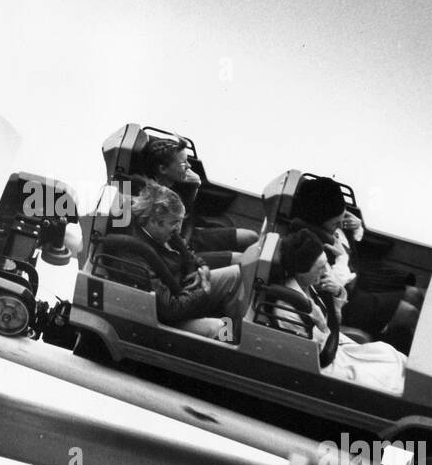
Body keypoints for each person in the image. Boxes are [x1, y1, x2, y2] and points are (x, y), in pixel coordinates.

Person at [289, 176, 424, 354]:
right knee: (409, 313)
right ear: (320, 223)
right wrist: (342, 260)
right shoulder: (313, 245)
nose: (340, 224)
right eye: (336, 223)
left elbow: (349, 242)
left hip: (355, 279)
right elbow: (329, 286)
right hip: (345, 300)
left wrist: (356, 227)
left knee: (414, 294)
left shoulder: (330, 223)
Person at [104, 182, 246, 340]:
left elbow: (191, 256)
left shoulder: (164, 233)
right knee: (221, 329)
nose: (178, 230)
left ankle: (239, 335)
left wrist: (202, 269)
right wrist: (202, 292)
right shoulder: (134, 257)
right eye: (174, 224)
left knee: (237, 275)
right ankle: (229, 350)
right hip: (170, 315)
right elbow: (169, 310)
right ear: (155, 221)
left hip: (185, 288)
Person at [275, 229, 407, 396]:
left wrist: (337, 292)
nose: (325, 271)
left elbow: (333, 322)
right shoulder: (287, 310)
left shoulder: (311, 285)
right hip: (326, 363)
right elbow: (310, 356)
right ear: (301, 271)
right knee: (386, 381)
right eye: (320, 267)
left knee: (388, 354)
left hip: (336, 347)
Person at [135, 135, 258, 266]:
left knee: (251, 236)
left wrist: (194, 185)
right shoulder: (143, 191)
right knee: (242, 260)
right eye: (183, 164)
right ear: (163, 169)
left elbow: (189, 218)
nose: (189, 166)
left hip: (190, 237)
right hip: (176, 250)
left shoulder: (180, 185)